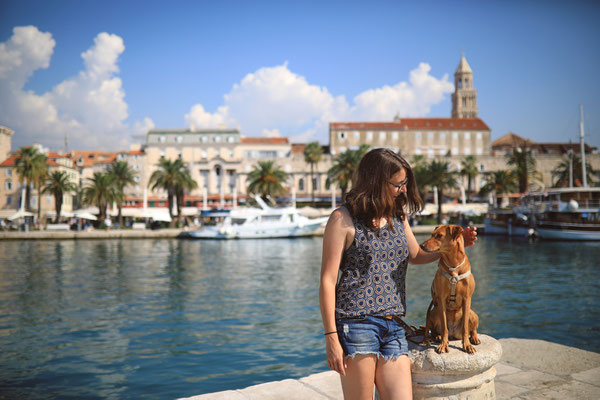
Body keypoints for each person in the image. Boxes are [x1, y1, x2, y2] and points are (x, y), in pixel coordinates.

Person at [319, 148, 477, 400]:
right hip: (356, 324)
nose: (404, 189)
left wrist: (450, 249)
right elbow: (327, 281)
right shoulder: (342, 219)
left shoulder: (398, 215)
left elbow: (415, 255)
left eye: (405, 183)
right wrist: (331, 338)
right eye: (398, 184)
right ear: (376, 181)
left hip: (393, 325)